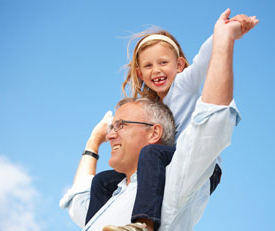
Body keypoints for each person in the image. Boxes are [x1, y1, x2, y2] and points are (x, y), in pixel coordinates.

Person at [60, 9, 258, 231]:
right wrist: (94, 142)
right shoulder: (153, 107)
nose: (156, 70)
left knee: (150, 153)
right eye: (148, 66)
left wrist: (224, 31)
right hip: (161, 162)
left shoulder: (183, 85)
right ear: (140, 73)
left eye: (163, 62)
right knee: (102, 181)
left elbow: (203, 59)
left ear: (180, 65)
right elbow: (78, 198)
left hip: (202, 168)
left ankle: (144, 224)